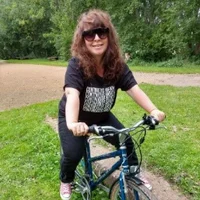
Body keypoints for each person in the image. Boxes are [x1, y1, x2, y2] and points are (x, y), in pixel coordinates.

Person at [58, 9, 165, 200]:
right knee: (73, 154)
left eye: (102, 32)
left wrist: (153, 110)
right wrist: (73, 123)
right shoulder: (76, 65)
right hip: (76, 120)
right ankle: (66, 180)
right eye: (89, 34)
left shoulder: (117, 65)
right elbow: (71, 94)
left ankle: (132, 175)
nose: (96, 38)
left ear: (109, 35)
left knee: (127, 141)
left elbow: (134, 89)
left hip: (102, 116)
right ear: (82, 39)